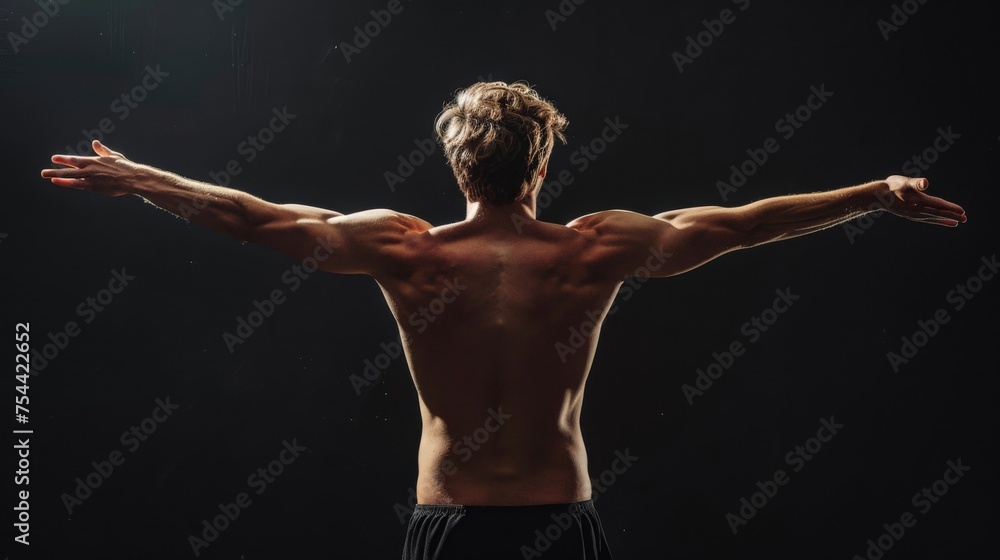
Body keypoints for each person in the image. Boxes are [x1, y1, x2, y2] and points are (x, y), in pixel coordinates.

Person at [41, 81, 966, 559]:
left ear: (457, 164)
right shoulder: (594, 250)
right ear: (541, 165)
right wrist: (874, 193)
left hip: (450, 521)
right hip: (560, 522)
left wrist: (140, 179)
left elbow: (251, 215)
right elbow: (740, 224)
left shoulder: (404, 250)